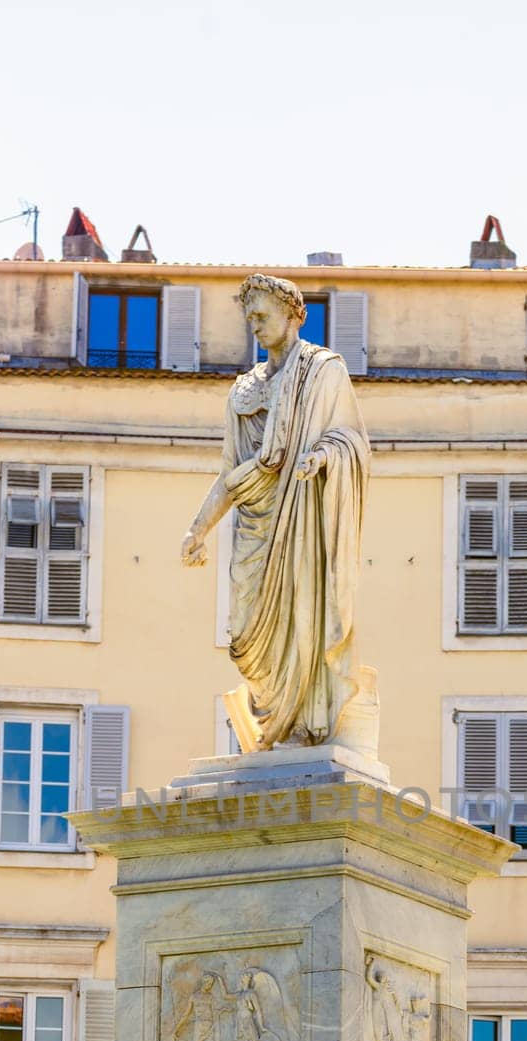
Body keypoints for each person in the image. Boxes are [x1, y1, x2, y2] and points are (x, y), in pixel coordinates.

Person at [180, 273, 370, 750]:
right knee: (245, 638)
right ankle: (271, 726)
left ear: (292, 315)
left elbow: (354, 442)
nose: (255, 325)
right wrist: (198, 529)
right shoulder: (242, 391)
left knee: (302, 618)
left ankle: (301, 724)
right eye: (249, 317)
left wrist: (325, 455)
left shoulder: (323, 371)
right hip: (255, 529)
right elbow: (230, 473)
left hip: (303, 521)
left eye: (263, 315)